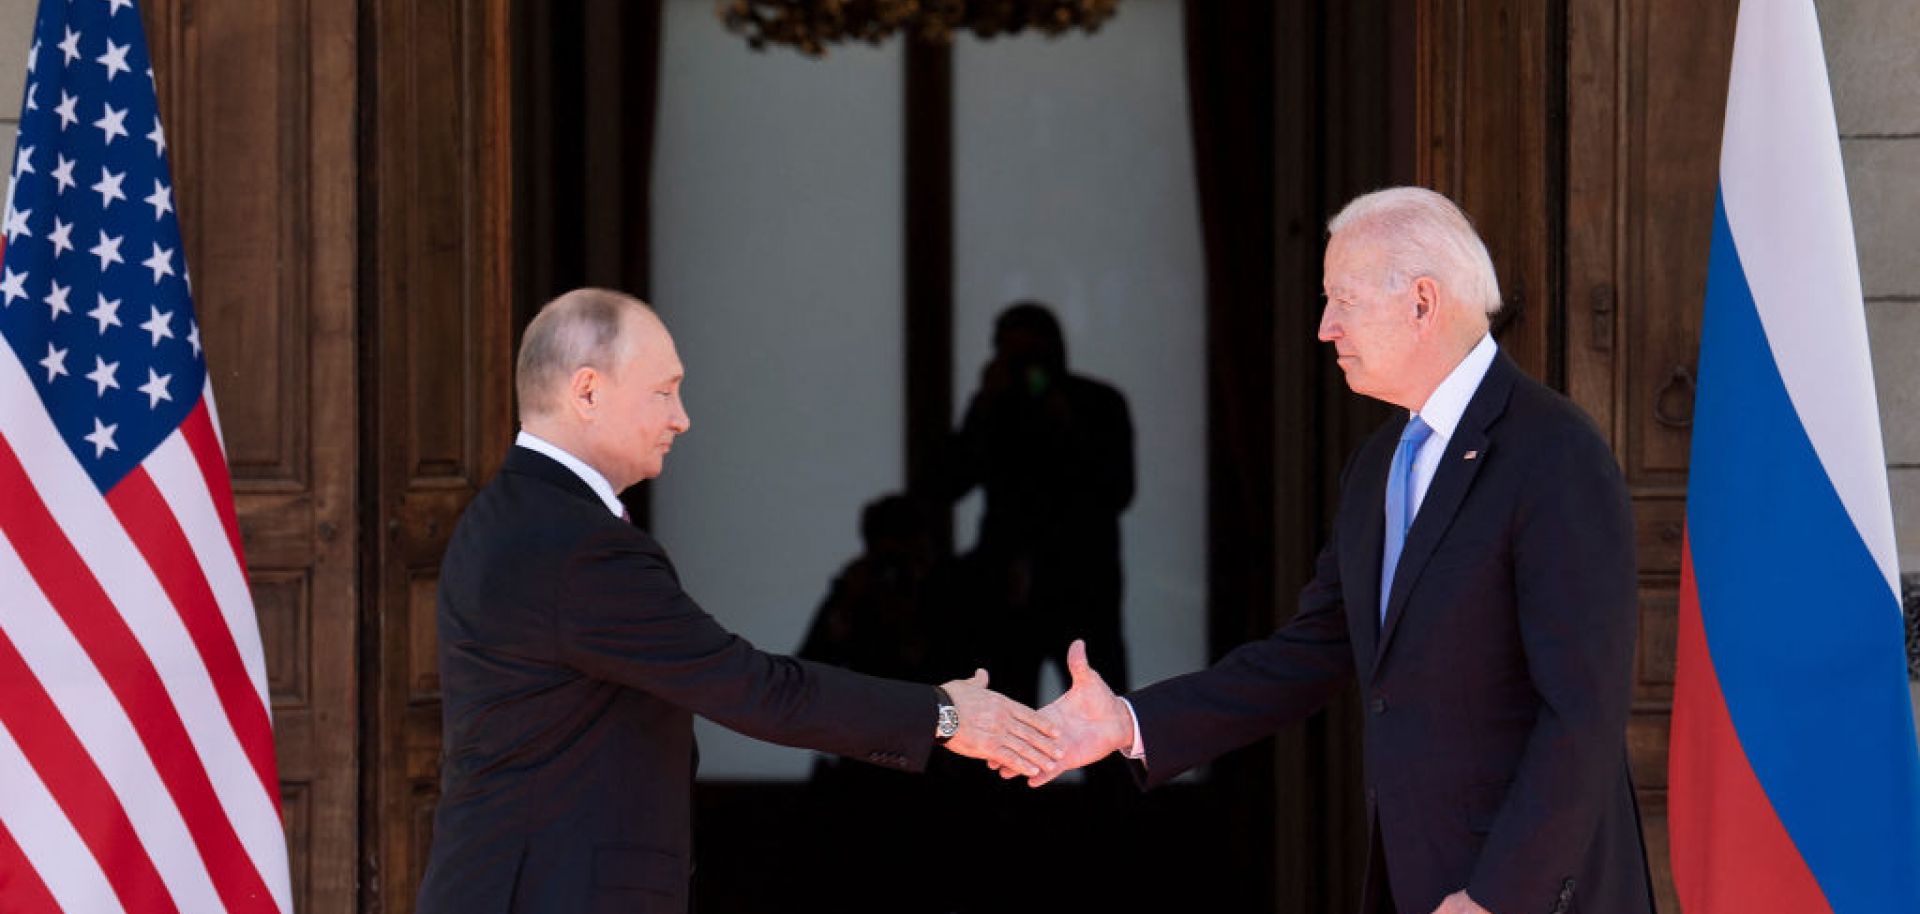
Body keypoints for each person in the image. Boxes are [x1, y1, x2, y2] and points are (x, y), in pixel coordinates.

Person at [1028, 188, 1654, 914]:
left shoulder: (1553, 452)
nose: (1325, 328)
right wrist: (1130, 725)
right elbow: (1310, 653)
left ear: (1423, 302)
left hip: (1528, 893)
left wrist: (1497, 896)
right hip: (1416, 880)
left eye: (1342, 301)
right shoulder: (1379, 462)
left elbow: (1582, 711)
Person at [415, 288, 1061, 914]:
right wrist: (946, 716)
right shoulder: (578, 546)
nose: (682, 418)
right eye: (664, 392)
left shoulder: (502, 518)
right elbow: (755, 688)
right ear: (587, 392)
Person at [945, 301, 1135, 708]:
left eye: (1032, 354)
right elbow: (947, 483)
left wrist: (1069, 425)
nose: (1024, 367)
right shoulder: (994, 409)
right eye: (1010, 354)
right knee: (1008, 729)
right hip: (1009, 591)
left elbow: (1118, 490)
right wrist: (982, 410)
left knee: (1105, 726)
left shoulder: (1098, 404)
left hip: (1084, 587)